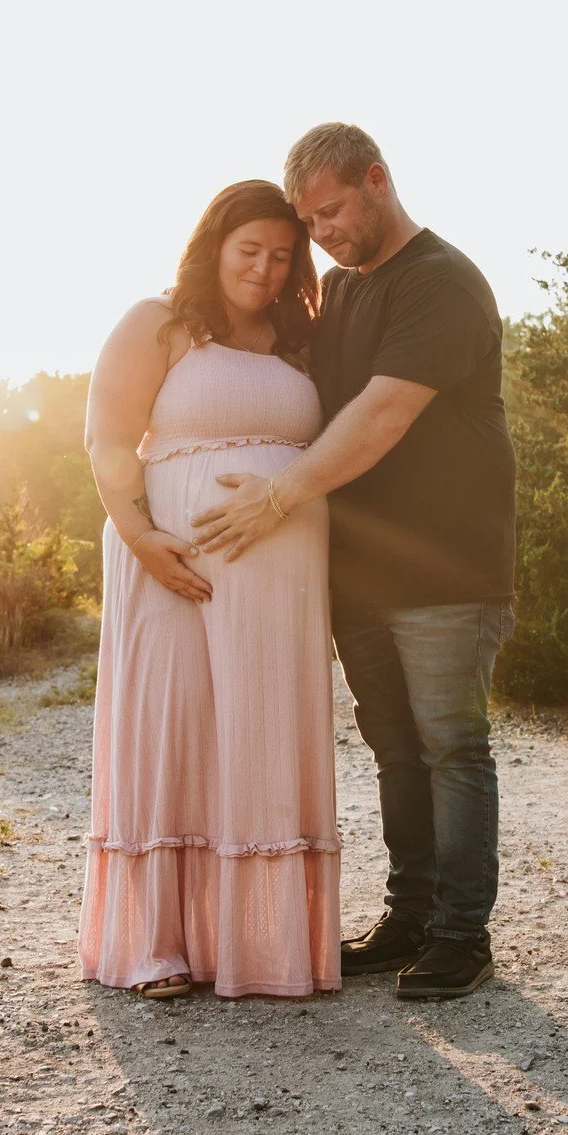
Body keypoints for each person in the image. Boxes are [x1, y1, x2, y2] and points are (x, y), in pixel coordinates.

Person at [190, 124, 516, 1000]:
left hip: (448, 565)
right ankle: (410, 915)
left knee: (451, 743)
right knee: (395, 749)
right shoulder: (336, 289)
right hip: (360, 571)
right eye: (310, 219)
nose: (322, 233)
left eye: (331, 211)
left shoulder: (442, 283)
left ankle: (461, 933)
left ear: (377, 179)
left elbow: (378, 416)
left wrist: (274, 497)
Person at [78, 180, 341, 1000]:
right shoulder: (159, 323)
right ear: (214, 245)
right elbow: (107, 436)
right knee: (174, 729)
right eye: (248, 251)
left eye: (281, 254)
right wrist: (139, 536)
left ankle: (260, 948)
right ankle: (156, 947)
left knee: (261, 737)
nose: (264, 270)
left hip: (279, 588)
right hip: (171, 566)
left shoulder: (295, 338)